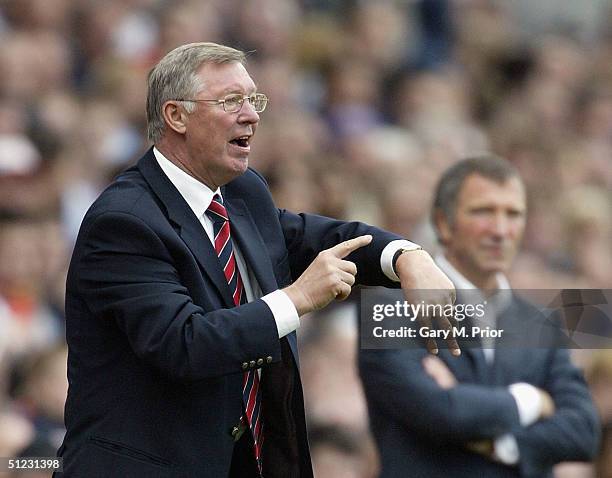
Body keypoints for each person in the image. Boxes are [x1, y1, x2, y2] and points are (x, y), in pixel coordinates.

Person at [55, 42, 457, 478]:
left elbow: (321, 237)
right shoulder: (124, 221)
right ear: (176, 116)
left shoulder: (242, 193)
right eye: (231, 101)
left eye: (253, 99)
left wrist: (406, 257)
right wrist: (296, 299)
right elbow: (185, 344)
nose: (252, 114)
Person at [359, 156, 600, 477]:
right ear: (443, 224)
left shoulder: (542, 322)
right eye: (483, 211)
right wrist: (531, 401)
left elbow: (582, 432)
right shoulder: (389, 311)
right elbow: (438, 411)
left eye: (513, 214)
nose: (500, 230)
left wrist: (501, 445)